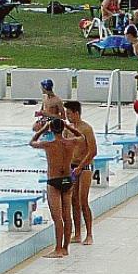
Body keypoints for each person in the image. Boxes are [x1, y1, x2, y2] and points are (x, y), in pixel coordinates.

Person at [30, 116, 82, 259]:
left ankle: (58, 249)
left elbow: (32, 142)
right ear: (63, 128)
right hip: (67, 180)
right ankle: (65, 248)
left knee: (57, 218)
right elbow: (81, 137)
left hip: (54, 181)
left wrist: (42, 129)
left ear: (51, 129)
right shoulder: (70, 143)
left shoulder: (48, 144)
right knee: (67, 216)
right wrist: (69, 127)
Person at [65, 100, 96, 245]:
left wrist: (80, 167)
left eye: (69, 113)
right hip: (72, 167)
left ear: (76, 113)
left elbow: (93, 151)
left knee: (83, 201)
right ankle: (77, 234)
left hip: (85, 168)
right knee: (73, 201)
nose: (67, 116)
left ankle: (89, 234)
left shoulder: (86, 129)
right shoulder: (68, 129)